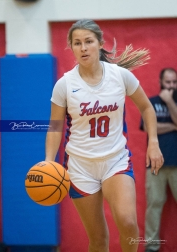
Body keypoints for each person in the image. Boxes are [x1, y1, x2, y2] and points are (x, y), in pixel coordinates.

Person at [45, 19, 164, 252]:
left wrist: (153, 143)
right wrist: (49, 161)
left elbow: (147, 108)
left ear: (100, 43)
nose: (83, 47)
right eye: (77, 43)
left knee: (128, 222)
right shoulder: (64, 85)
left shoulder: (120, 76)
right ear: (71, 47)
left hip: (115, 160)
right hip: (80, 166)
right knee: (98, 240)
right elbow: (55, 126)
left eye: (88, 41)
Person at [141, 68, 177, 252]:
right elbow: (149, 127)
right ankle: (151, 247)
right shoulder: (151, 103)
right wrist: (173, 125)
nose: (171, 86)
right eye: (168, 82)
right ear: (160, 81)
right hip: (155, 163)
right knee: (154, 206)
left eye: (174, 82)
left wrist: (170, 101)